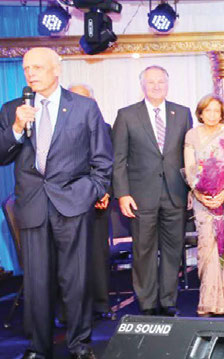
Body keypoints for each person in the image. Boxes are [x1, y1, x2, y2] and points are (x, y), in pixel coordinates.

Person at [0, 47, 112, 359]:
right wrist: (17, 129)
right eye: (26, 69)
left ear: (56, 70)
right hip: (33, 206)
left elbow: (102, 160)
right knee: (36, 282)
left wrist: (90, 191)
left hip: (73, 203)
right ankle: (38, 347)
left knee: (75, 279)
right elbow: (1, 155)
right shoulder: (13, 109)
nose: (30, 74)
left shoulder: (84, 107)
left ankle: (79, 344)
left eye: (37, 67)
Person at [113, 65, 192, 316]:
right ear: (142, 86)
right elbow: (119, 159)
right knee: (143, 251)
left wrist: (191, 189)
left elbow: (188, 156)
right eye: (151, 82)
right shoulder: (126, 115)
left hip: (175, 194)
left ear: (168, 85)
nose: (156, 86)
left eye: (161, 82)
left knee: (172, 250)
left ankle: (168, 301)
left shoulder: (182, 113)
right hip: (140, 196)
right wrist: (123, 193)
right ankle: (147, 302)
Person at [183, 95, 224, 316]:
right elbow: (190, 167)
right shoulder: (192, 135)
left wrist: (223, 194)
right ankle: (210, 301)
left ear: (222, 113)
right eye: (207, 111)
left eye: (216, 111)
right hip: (204, 202)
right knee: (208, 249)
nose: (211, 115)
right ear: (200, 113)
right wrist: (200, 194)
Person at [69, 83, 114, 318]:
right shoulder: (54, 128)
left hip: (98, 201)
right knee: (67, 259)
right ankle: (70, 311)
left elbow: (110, 163)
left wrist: (103, 191)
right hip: (64, 203)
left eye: (86, 99)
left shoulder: (105, 128)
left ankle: (100, 305)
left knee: (97, 255)